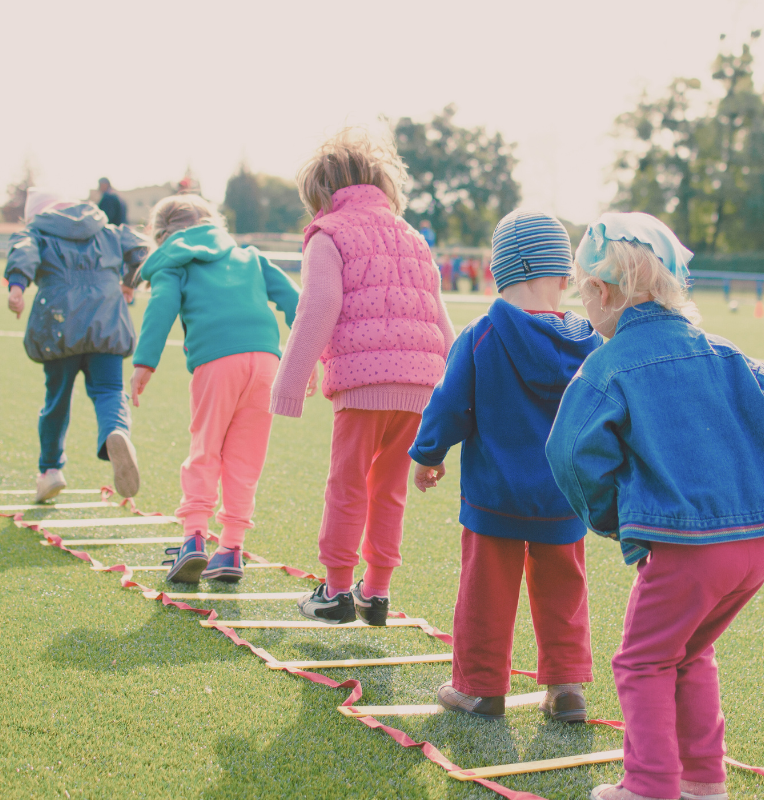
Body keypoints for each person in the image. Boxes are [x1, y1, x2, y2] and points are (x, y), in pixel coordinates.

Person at [546, 212, 764, 800]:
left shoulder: (608, 365)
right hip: (757, 547)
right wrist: (763, 490)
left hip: (690, 550)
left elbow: (568, 451)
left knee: (642, 663)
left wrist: (613, 518)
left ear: (602, 291)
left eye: (584, 292)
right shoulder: (724, 351)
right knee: (691, 653)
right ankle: (702, 781)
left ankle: (649, 787)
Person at [410, 210, 602, 723]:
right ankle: (567, 689)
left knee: (485, 594)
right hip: (564, 497)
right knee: (564, 590)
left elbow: (449, 405)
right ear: (564, 277)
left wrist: (428, 455)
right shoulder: (592, 343)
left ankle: (480, 687)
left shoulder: (482, 334)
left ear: (498, 272)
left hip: (493, 495)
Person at [269, 128, 455, 625]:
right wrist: (456, 393)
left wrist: (290, 381)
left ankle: (334, 592)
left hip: (364, 383)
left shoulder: (329, 234)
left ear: (322, 194)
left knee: (347, 484)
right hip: (421, 385)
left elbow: (320, 304)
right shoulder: (413, 237)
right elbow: (440, 317)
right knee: (388, 488)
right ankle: (376, 591)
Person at [129, 195, 299, 584]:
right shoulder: (250, 257)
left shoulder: (175, 262)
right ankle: (231, 549)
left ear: (161, 235)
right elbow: (296, 301)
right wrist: (306, 357)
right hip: (266, 362)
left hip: (217, 361)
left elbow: (162, 306)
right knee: (246, 458)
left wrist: (144, 363)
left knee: (205, 448)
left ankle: (193, 540)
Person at [5, 187, 148, 503]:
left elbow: (24, 251)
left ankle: (50, 470)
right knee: (110, 391)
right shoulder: (105, 228)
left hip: (59, 325)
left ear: (37, 212)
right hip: (108, 320)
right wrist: (129, 281)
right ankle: (117, 432)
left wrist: (17, 285)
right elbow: (140, 249)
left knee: (57, 399)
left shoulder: (37, 231)